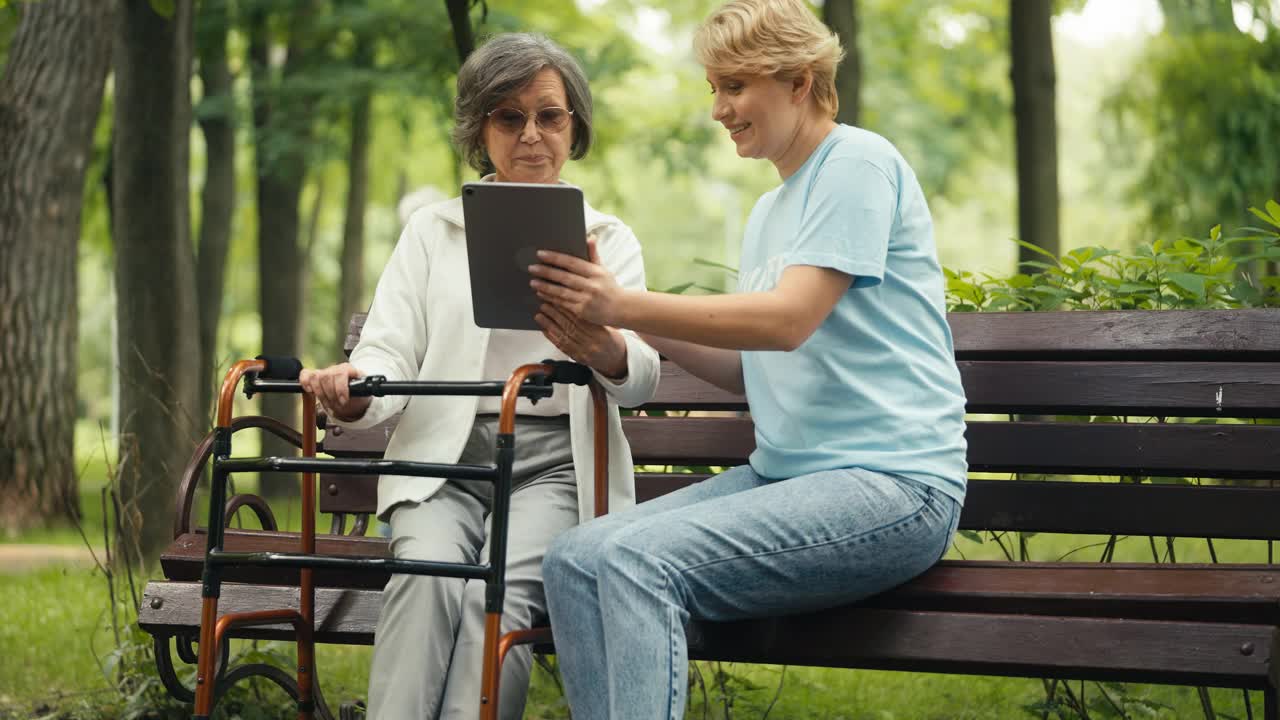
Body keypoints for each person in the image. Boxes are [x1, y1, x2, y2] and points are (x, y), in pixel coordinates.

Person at [529, 1, 968, 717]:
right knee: (575, 558)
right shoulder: (771, 211)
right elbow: (751, 367)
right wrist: (610, 320)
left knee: (637, 563)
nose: (718, 109)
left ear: (798, 81)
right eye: (714, 88)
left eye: (735, 86)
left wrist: (627, 304)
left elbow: (789, 321)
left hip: (894, 488)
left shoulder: (858, 162)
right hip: (789, 478)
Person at [299, 33, 660, 720]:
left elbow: (639, 381)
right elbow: (388, 356)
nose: (531, 135)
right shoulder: (433, 231)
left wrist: (602, 343)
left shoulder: (607, 239)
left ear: (574, 126)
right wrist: (350, 395)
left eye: (549, 116)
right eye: (508, 116)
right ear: (479, 129)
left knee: (491, 595)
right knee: (428, 580)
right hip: (444, 458)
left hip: (555, 470)